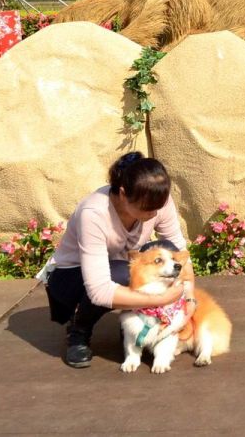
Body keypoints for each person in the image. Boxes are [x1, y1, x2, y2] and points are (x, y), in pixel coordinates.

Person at [44, 151, 196, 368]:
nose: (154, 214)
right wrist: (162, 300)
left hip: (119, 266)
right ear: (123, 193)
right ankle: (79, 330)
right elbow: (99, 290)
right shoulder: (94, 213)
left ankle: (136, 324)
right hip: (70, 278)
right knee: (124, 272)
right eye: (147, 209)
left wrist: (189, 298)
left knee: (166, 251)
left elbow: (179, 251)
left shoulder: (156, 200)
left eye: (158, 207)